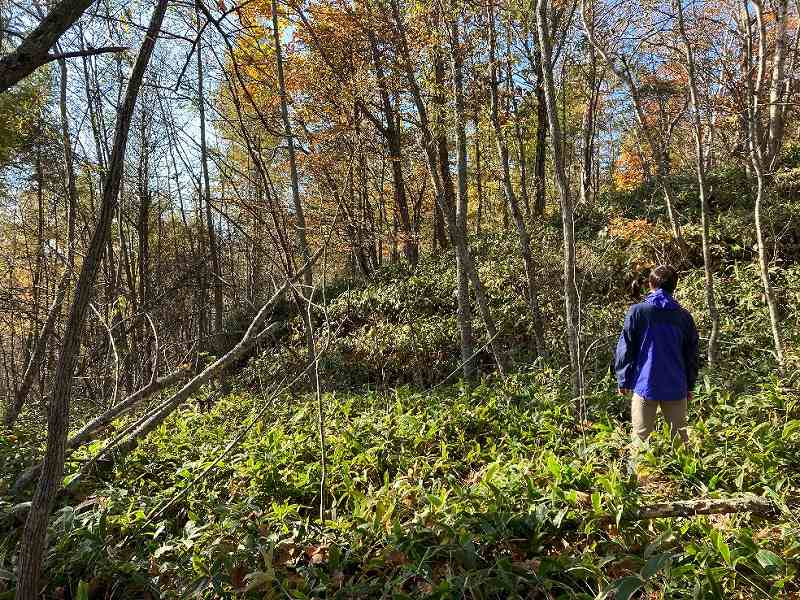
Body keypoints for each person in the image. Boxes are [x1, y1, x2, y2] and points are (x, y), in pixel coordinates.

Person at [615, 265, 700, 460]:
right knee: (679, 440)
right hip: (676, 385)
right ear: (674, 287)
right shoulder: (684, 317)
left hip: (645, 384)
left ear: (651, 285)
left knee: (640, 438)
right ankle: (685, 482)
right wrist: (690, 384)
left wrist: (623, 379)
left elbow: (625, 347)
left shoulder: (638, 311)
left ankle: (637, 483)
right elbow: (691, 354)